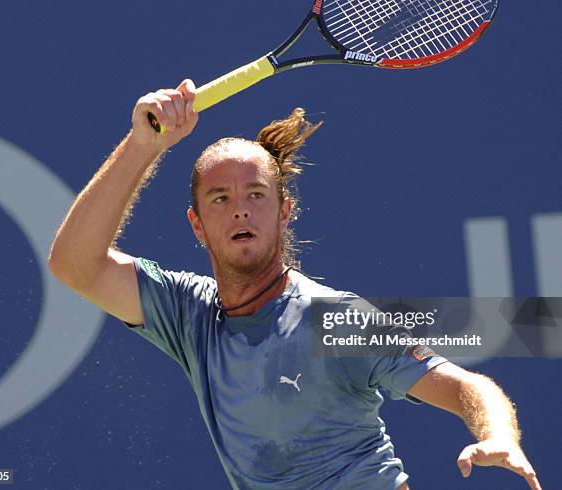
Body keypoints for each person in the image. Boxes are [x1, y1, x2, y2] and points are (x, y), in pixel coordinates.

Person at [48, 79, 541, 489]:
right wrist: (143, 147)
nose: (240, 208)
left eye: (256, 194)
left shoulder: (334, 320)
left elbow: (467, 385)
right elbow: (75, 265)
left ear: (285, 212)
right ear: (197, 225)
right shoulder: (188, 313)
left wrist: (498, 434)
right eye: (219, 199)